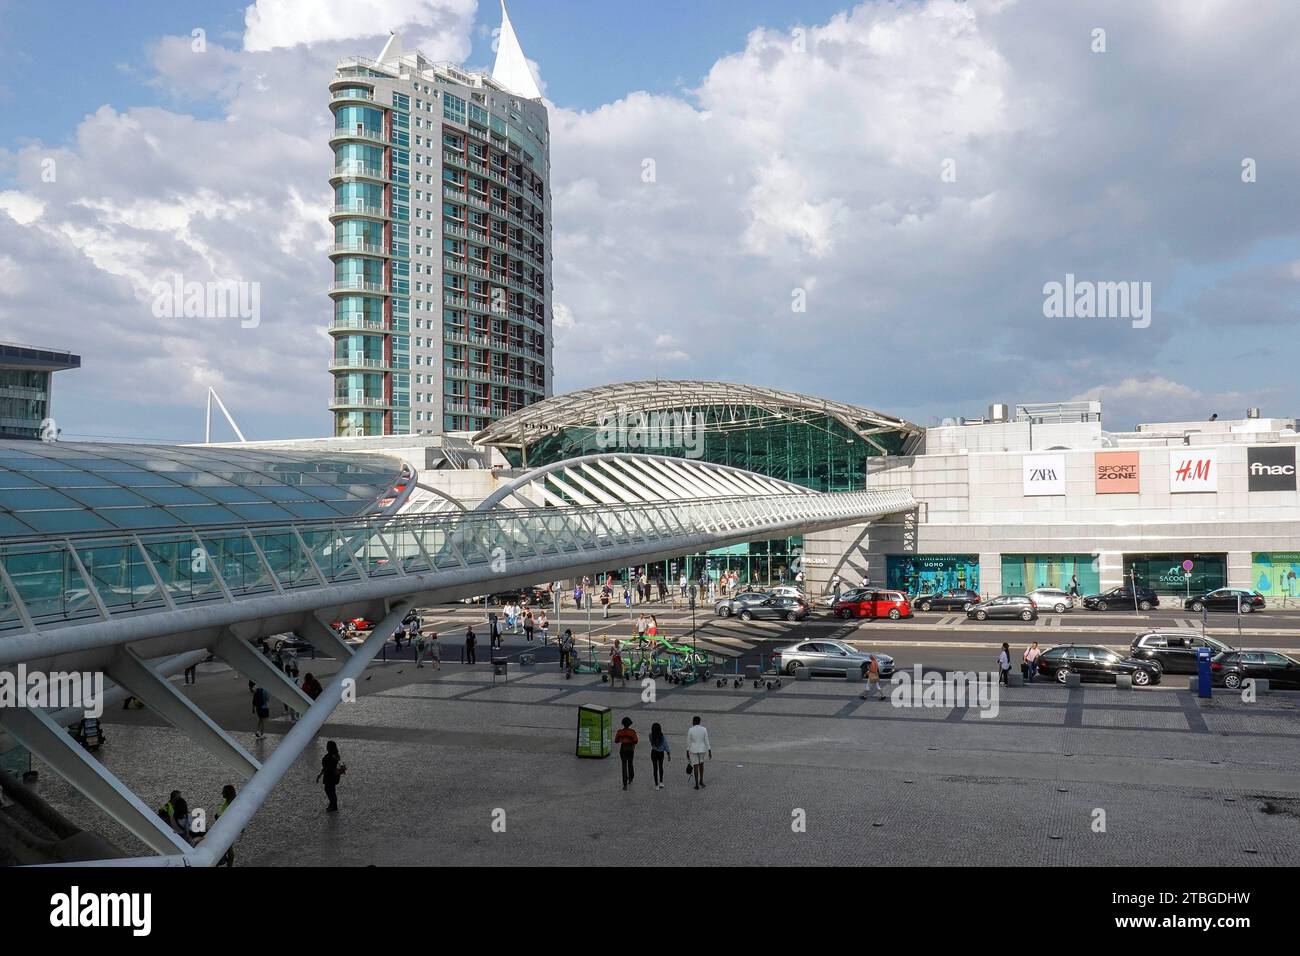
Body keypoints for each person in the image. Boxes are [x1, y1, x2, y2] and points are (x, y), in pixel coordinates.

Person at [315, 740, 345, 812]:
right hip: (334, 776)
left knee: (329, 790)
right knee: (331, 790)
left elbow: (326, 768)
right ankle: (333, 804)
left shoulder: (328, 757)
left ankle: (333, 805)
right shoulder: (336, 755)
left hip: (329, 776)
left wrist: (320, 775)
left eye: (327, 746)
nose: (326, 747)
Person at [213, 783, 238, 866]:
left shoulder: (232, 804)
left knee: (229, 851)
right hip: (222, 830)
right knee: (228, 850)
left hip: (226, 831)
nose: (222, 794)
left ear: (228, 794)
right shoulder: (228, 802)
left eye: (223, 792)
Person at [686, 716, 711, 790]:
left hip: (693, 750)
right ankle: (701, 781)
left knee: (695, 766)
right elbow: (706, 740)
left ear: (693, 721)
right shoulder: (704, 729)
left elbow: (688, 742)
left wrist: (687, 751)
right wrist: (709, 750)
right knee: (701, 765)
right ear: (699, 722)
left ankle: (696, 784)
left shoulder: (690, 730)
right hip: (702, 749)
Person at [614, 717, 639, 790]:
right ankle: (631, 778)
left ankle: (625, 784)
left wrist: (622, 739)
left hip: (623, 749)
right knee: (630, 763)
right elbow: (636, 740)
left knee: (624, 765)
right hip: (630, 749)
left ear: (623, 724)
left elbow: (616, 740)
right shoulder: (632, 732)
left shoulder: (619, 732)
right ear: (630, 724)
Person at [649, 722, 671, 790]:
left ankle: (656, 785)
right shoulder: (662, 736)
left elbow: (651, 743)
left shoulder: (650, 735)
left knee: (655, 768)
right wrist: (668, 754)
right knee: (661, 767)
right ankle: (661, 782)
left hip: (653, 752)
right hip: (661, 753)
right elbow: (666, 745)